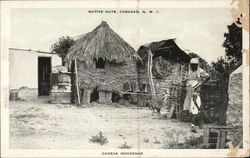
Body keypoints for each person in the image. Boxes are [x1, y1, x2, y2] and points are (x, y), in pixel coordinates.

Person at [183, 58, 210, 132]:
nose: (193, 66)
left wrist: (202, 83)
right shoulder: (188, 70)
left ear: (197, 65)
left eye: (195, 65)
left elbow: (208, 76)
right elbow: (184, 78)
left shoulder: (200, 70)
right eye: (192, 65)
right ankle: (193, 122)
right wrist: (185, 80)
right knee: (190, 105)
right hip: (189, 88)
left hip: (196, 87)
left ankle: (199, 123)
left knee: (197, 104)